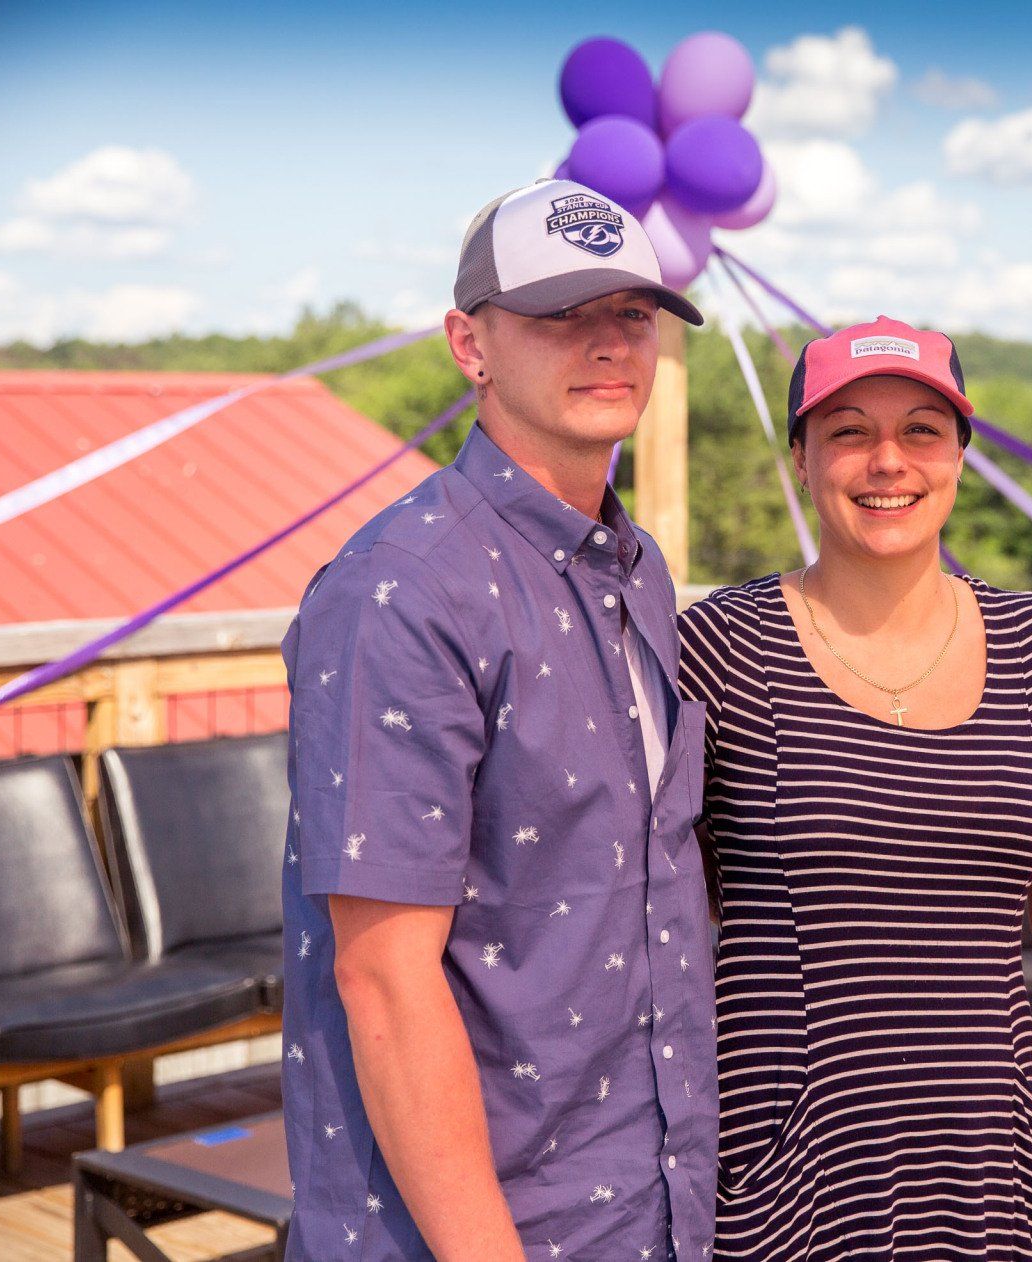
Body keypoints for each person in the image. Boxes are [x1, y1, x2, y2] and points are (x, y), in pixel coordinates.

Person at [279, 179, 716, 1260]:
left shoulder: (639, 567)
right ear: (469, 344)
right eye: (564, 316)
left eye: (631, 315)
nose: (610, 344)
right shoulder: (402, 589)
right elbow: (382, 975)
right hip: (478, 1226)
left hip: (652, 1200)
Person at [677, 317, 1032, 1262]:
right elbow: (662, 925)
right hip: (783, 1180)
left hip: (989, 1175)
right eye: (848, 431)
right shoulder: (718, 652)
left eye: (922, 430)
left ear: (961, 456)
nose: (886, 461)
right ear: (803, 461)